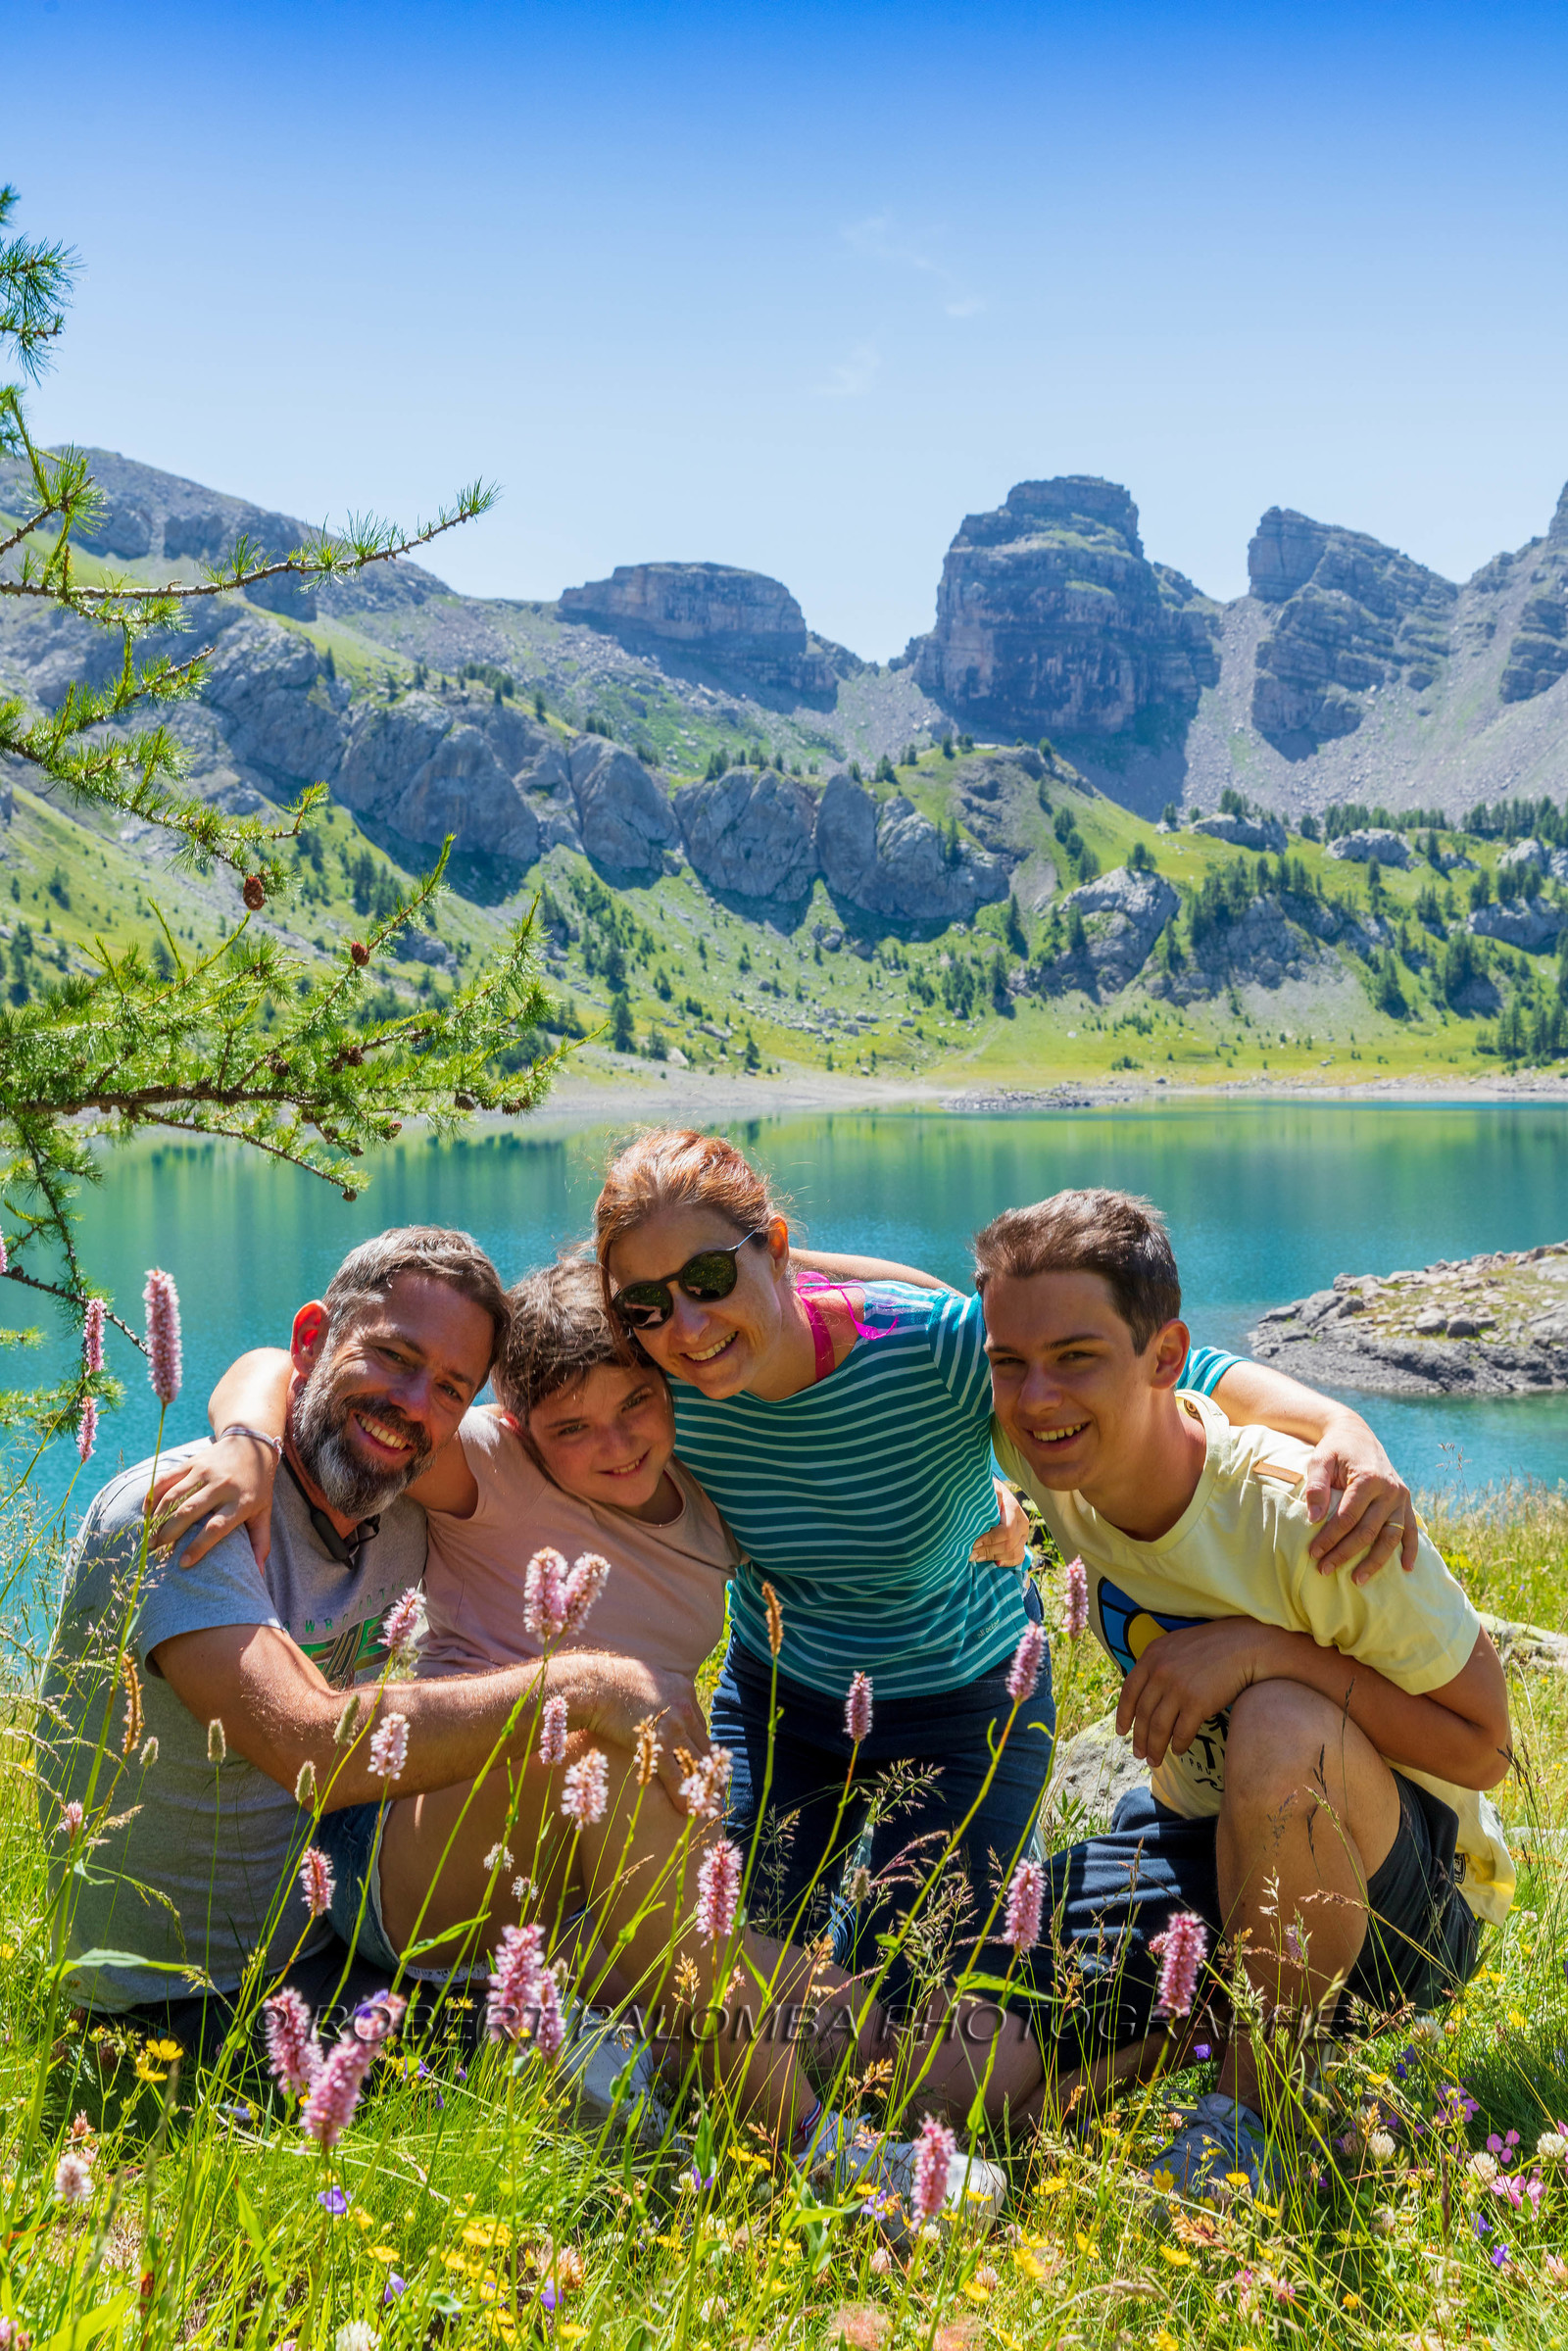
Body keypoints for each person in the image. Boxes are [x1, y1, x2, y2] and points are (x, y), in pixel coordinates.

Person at [175, 1254, 1012, 2218]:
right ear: (526, 1424)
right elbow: (293, 1367)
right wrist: (243, 1438)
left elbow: (840, 1442)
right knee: (598, 1728)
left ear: (668, 1391)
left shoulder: (707, 1501)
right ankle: (800, 2145)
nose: (614, 1444)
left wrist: (978, 1494)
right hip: (423, 1855)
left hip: (589, 1892)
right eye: (572, 1427)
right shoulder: (489, 1464)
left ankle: (1142, 2086)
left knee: (868, 2023)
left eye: (636, 1407)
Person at [593, 1128, 1421, 2006]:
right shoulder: (646, 1385)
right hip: (780, 1703)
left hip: (965, 1709)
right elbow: (530, 1378)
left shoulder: (930, 1348)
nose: (685, 1325)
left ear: (779, 1247)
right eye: (647, 1302)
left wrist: (1343, 1426)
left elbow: (1158, 1368)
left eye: (710, 1280)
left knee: (901, 2000)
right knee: (704, 1960)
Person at [973, 1188, 1512, 2193]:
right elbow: (865, 1304)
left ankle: (1250, 2115)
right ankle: (1206, 2026)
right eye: (1012, 1362)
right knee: (957, 2069)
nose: (1037, 1394)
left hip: (1408, 1895)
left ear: (1165, 1356)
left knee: (1278, 1718)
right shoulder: (1040, 1447)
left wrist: (1269, 1652)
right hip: (1200, 1843)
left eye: (1077, 1357)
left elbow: (1485, 1746)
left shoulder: (1312, 1513)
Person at [38, 1229, 704, 2040]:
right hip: (172, 2003)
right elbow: (309, 1748)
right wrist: (584, 1686)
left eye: (453, 1389)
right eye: (392, 1356)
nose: (415, 1404)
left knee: (692, 1987)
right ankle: (789, 2133)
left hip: (339, 1947)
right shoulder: (186, 1508)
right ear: (313, 1342)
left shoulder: (398, 1502)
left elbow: (268, 1370)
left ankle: (845, 2087)